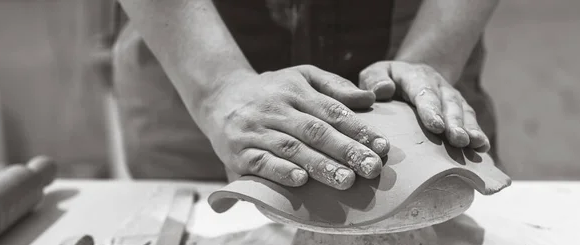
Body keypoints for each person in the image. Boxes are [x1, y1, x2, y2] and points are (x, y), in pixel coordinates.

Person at [113, 0, 500, 190]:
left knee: (426, 175)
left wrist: (429, 62)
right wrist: (215, 88)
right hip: (191, 29)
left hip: (414, 19)